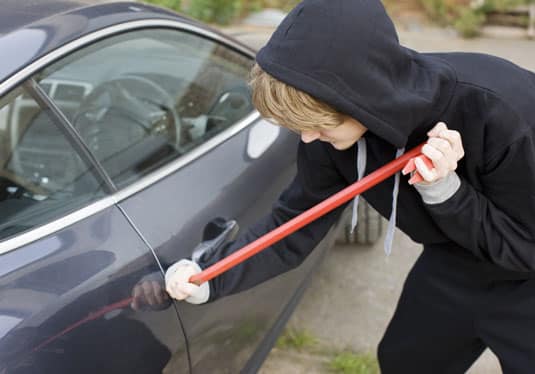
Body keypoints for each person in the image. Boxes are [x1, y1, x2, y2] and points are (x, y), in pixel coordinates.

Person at [165, 0, 535, 372]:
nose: (308, 139)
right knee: (404, 361)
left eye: (319, 125)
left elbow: (525, 247)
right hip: (452, 261)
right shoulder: (330, 137)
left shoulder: (502, 109)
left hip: (527, 278)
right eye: (299, 126)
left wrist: (448, 194)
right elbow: (295, 222)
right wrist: (212, 277)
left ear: (361, 97)